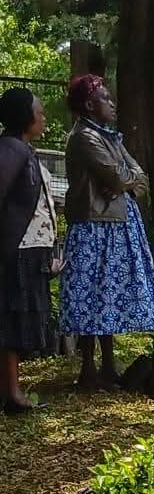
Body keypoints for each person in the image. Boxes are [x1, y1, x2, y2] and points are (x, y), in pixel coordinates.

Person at [59, 75, 154, 388]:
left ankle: (107, 366)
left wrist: (124, 182)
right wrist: (123, 182)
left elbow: (139, 178)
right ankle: (88, 368)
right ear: (89, 105)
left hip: (115, 225)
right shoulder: (85, 137)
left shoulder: (110, 138)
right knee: (90, 294)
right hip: (93, 226)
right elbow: (118, 178)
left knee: (106, 296)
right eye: (106, 99)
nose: (113, 103)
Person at [0, 88, 58, 414]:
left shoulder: (21, 149)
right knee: (11, 322)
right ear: (24, 116)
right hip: (18, 249)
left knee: (18, 321)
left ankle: (11, 390)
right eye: (39, 112)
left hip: (31, 248)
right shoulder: (11, 149)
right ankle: (13, 394)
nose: (44, 117)